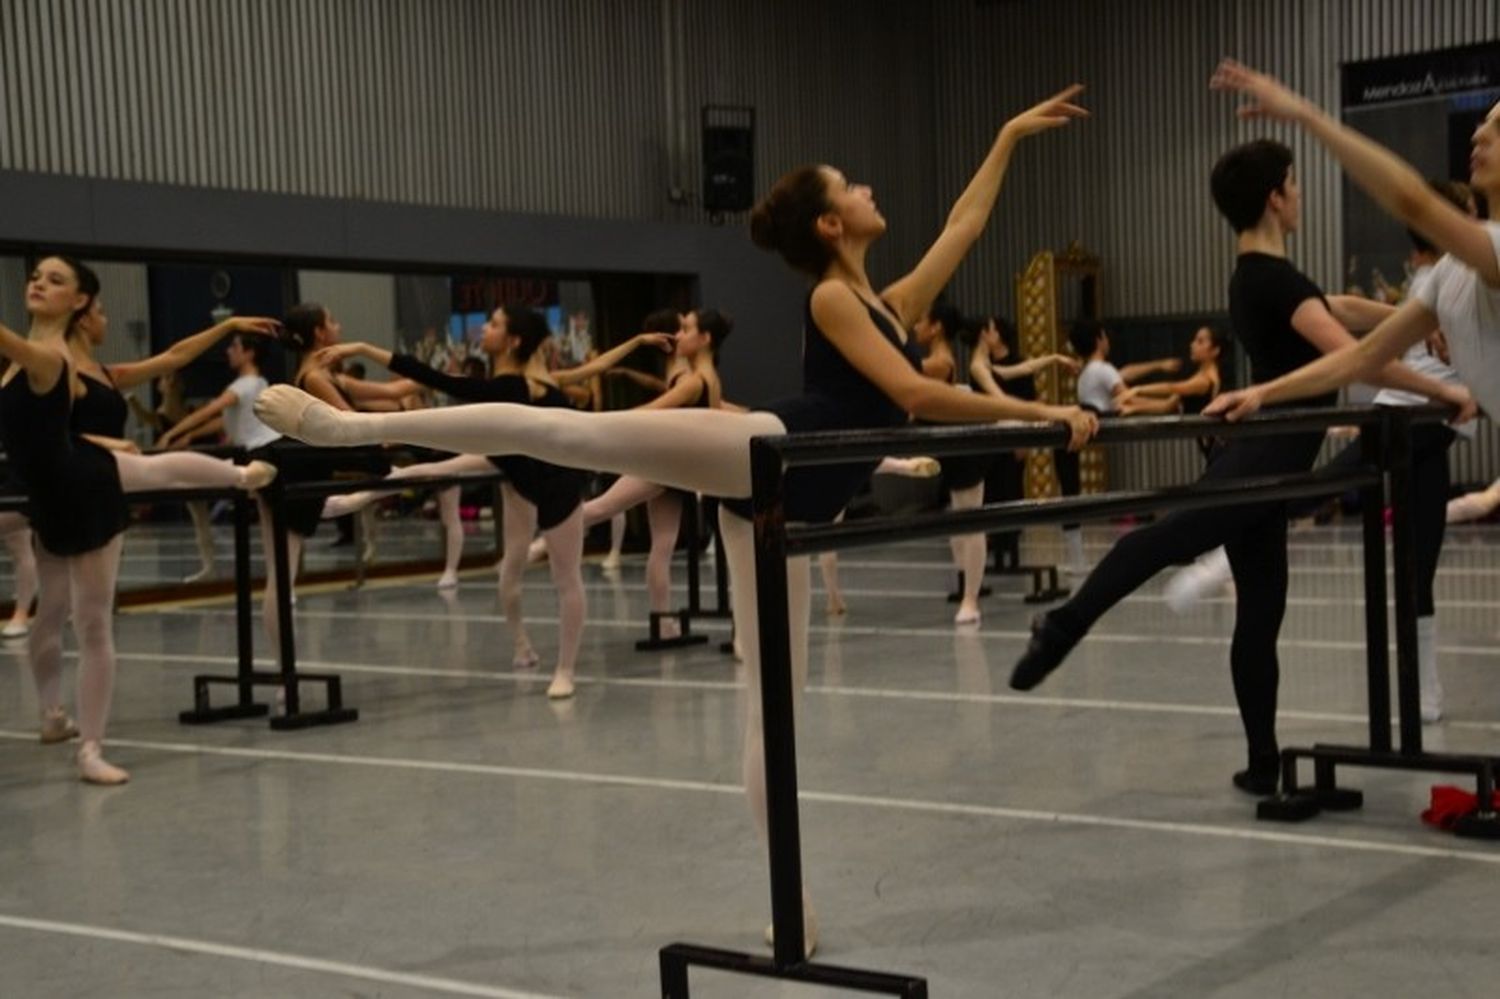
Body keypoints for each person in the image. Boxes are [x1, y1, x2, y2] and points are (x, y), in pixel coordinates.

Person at [255, 86, 1099, 955]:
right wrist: (1042, 416)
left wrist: (1004, 136)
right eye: (851, 185)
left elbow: (961, 226)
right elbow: (916, 393)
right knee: (565, 430)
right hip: (766, 449)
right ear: (829, 226)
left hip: (786, 504)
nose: (869, 190)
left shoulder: (883, 297)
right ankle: (355, 428)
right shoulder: (834, 302)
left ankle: (789, 902)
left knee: (773, 704)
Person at [1010, 134, 1474, 798]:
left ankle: (1262, 761)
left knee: (1260, 615)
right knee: (1170, 537)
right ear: (1275, 196)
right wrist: (1445, 389)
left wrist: (1422, 319)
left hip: (1270, 460)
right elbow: (1356, 354)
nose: (1301, 194)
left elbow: (1338, 310)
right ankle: (1061, 625)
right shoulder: (1274, 278)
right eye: (1294, 183)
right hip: (1260, 458)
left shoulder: (1260, 274)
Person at [1200, 62, 1498, 724]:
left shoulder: (1487, 251)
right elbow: (1362, 351)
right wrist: (1263, 394)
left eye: (1495, 129)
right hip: (1421, 422)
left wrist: (1305, 115)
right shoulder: (1449, 279)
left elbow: (1416, 204)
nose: (1479, 133)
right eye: (1481, 123)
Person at [1, 257, 277, 785]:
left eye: (55, 280)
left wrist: (226, 326)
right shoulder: (30, 361)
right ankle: (52, 717)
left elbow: (169, 358)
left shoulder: (45, 358)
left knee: (91, 620)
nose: (37, 281)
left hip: (86, 490)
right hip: (49, 493)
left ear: (78, 302)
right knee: (49, 613)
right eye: (35, 275)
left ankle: (91, 748)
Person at [319, 310, 674, 698]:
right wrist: (638, 343)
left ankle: (565, 671)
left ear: (514, 340)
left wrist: (364, 348)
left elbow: (434, 377)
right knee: (481, 526)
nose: (484, 329)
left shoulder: (518, 387)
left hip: (555, 483)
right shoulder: (513, 385)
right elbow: (595, 365)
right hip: (511, 462)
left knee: (565, 578)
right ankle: (521, 644)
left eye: (493, 324)